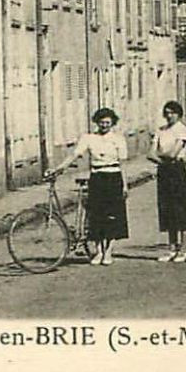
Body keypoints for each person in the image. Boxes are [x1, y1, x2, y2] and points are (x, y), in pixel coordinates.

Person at [49, 107, 129, 265]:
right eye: (102, 122)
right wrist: (59, 168)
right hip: (97, 178)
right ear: (97, 122)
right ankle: (98, 251)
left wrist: (125, 185)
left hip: (114, 177)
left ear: (112, 123)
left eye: (108, 122)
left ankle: (109, 251)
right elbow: (75, 155)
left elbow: (123, 164)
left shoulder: (118, 139)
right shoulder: (89, 138)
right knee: (96, 214)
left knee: (113, 215)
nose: (105, 125)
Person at [149, 101, 186, 263]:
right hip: (163, 170)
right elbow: (150, 154)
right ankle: (172, 248)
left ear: (179, 114)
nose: (170, 115)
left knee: (182, 209)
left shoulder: (182, 130)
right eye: (167, 112)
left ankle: (183, 250)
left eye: (173, 112)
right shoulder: (161, 131)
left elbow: (173, 153)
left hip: (177, 170)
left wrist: (162, 154)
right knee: (168, 208)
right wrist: (162, 156)